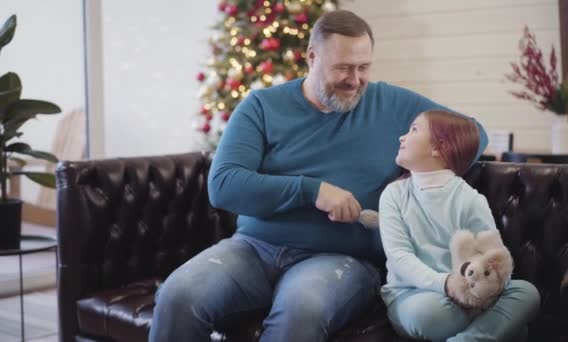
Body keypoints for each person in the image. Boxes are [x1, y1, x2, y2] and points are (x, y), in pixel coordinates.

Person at [149, 10, 488, 342]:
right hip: (254, 249)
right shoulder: (262, 107)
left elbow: (474, 135)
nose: (355, 80)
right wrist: (312, 191)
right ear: (311, 57)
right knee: (178, 296)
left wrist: (411, 181)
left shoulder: (392, 103)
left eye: (363, 67)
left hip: (341, 259)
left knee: (302, 309)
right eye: (342, 68)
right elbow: (223, 185)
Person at [379, 110, 540, 341]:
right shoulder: (393, 195)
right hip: (414, 296)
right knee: (427, 314)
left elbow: (494, 257)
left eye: (413, 130)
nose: (402, 137)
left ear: (437, 148)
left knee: (527, 293)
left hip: (473, 298)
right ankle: (497, 330)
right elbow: (399, 257)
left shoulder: (471, 199)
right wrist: (446, 284)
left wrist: (488, 288)